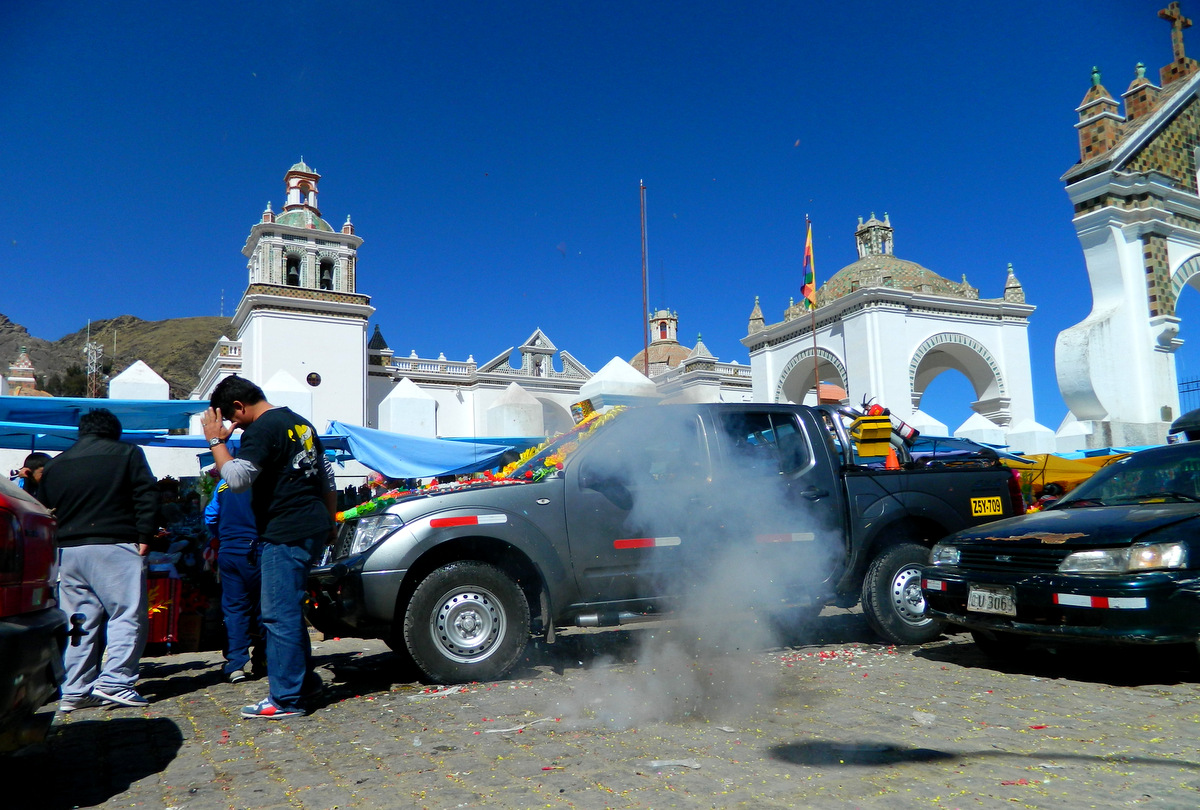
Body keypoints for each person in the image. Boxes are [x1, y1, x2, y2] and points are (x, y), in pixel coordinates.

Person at [202, 375, 336, 720]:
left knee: (278, 614)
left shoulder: (261, 428)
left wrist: (216, 441)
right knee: (290, 609)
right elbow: (327, 478)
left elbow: (237, 479)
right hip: (313, 524)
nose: (233, 425)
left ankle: (286, 698)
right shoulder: (300, 423)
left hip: (285, 529)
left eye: (231, 418)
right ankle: (305, 684)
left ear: (239, 406)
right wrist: (329, 523)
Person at [37, 409, 159, 711]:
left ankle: (75, 688)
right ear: (114, 431)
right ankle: (116, 681)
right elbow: (146, 495)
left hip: (68, 550)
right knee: (126, 613)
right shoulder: (127, 453)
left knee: (79, 622)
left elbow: (43, 508)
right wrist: (145, 535)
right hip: (115, 544)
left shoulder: (55, 464)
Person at [204, 469, 266, 683]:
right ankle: (264, 658)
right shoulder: (264, 480)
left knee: (234, 609)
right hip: (258, 548)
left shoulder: (224, 484)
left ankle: (236, 664)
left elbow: (211, 516)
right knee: (264, 607)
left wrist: (221, 535)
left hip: (229, 549)